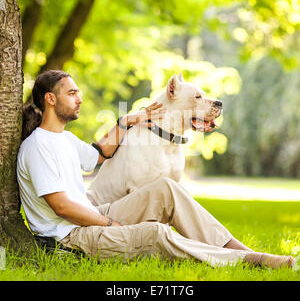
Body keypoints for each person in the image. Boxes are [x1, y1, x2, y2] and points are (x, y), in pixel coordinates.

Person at [17, 70, 295, 269]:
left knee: (166, 189)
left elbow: (98, 156)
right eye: (72, 93)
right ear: (51, 100)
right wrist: (110, 224)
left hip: (91, 217)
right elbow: (62, 208)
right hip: (70, 237)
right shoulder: (38, 146)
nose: (80, 98)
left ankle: (240, 249)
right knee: (155, 233)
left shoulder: (63, 138)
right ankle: (248, 262)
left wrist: (127, 121)